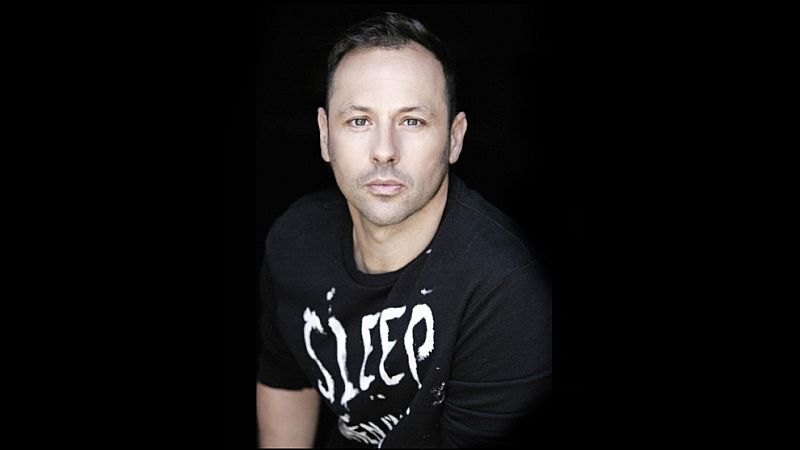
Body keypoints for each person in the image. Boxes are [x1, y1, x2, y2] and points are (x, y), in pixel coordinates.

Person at [256, 11, 551, 448]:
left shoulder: (505, 287)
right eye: (359, 120)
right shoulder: (295, 240)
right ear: (324, 135)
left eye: (412, 121)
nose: (384, 151)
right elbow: (287, 380)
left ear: (454, 138)